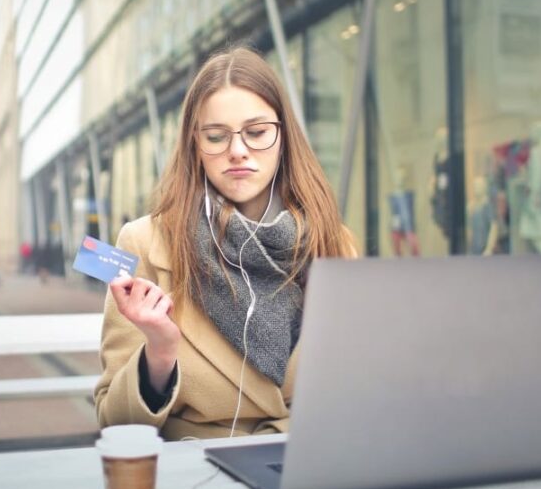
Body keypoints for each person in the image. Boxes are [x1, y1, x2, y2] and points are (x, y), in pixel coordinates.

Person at [94, 46, 356, 441]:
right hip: (198, 476)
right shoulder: (141, 243)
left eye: (257, 133)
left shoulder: (334, 243)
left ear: (284, 137)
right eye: (216, 136)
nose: (237, 151)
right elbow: (114, 421)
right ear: (195, 147)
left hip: (309, 461)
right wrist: (160, 354)